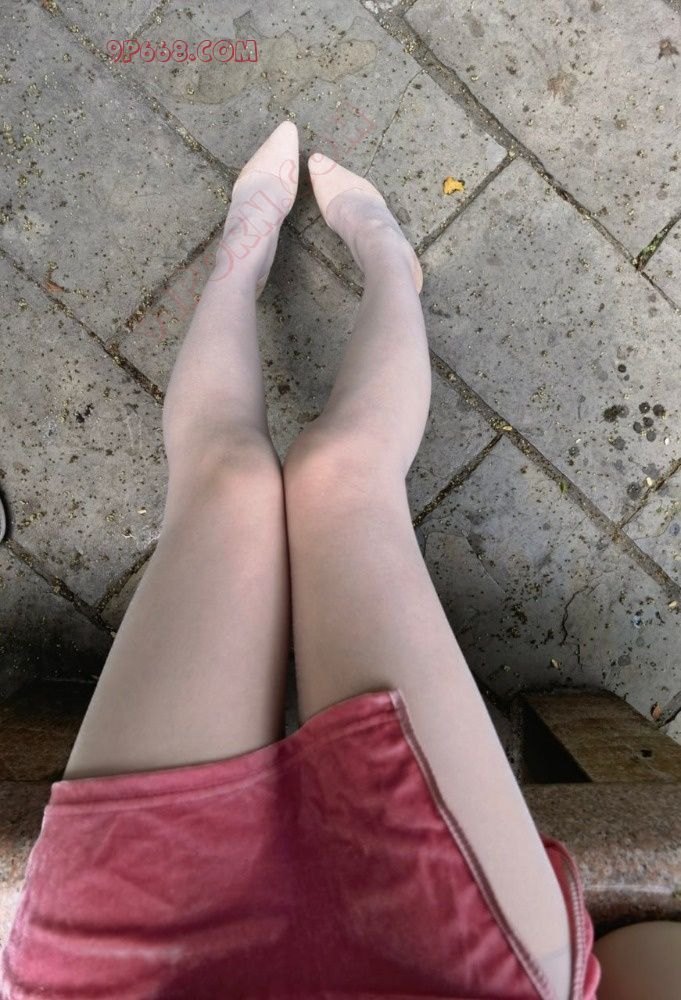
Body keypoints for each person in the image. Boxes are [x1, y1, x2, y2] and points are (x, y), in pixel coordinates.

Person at [1, 121, 600, 999]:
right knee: (338, 474)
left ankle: (247, 254)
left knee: (228, 481)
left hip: (126, 981)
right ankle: (384, 262)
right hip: (445, 974)